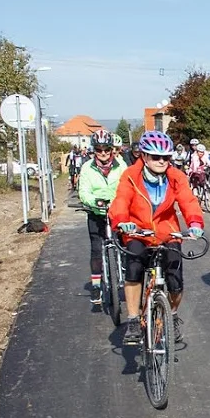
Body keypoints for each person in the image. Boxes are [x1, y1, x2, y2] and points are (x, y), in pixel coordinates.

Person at [108, 131, 204, 345]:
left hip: (167, 232)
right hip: (138, 231)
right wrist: (122, 220)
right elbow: (121, 199)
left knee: (175, 278)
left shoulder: (176, 176)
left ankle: (173, 315)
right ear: (144, 156)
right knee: (133, 268)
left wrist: (195, 223)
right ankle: (133, 320)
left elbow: (188, 201)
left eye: (166, 157)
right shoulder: (131, 175)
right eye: (155, 157)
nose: (161, 161)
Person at [77, 129, 128, 307]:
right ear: (94, 151)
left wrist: (122, 201)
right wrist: (94, 201)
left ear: (112, 150)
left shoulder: (121, 166)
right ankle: (97, 286)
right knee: (97, 249)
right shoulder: (87, 167)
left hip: (118, 212)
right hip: (96, 212)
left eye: (107, 149)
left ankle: (127, 275)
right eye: (99, 150)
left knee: (127, 245)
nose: (104, 153)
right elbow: (83, 191)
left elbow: (128, 185)